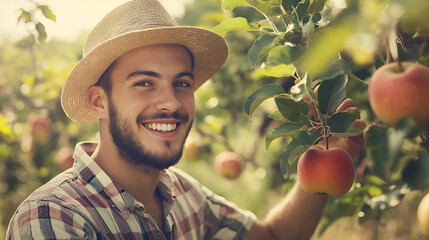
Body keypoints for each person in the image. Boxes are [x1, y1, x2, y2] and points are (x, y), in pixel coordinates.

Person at [6, 0, 365, 239]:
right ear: (99, 101)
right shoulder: (53, 218)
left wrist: (323, 161)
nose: (171, 102)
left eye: (182, 83)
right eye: (144, 83)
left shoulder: (183, 195)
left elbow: (271, 236)